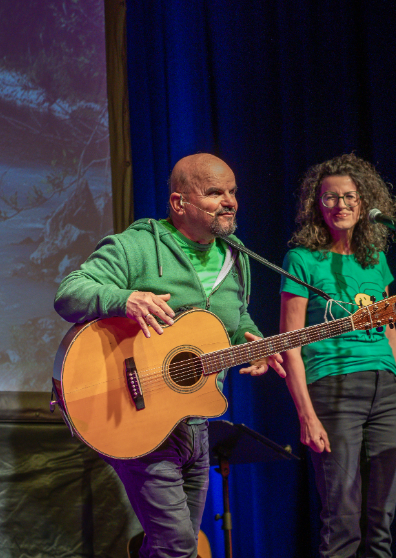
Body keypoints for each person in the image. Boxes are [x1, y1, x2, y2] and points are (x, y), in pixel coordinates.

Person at [54, 153, 284, 558]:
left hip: (196, 419)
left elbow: (236, 315)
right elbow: (70, 292)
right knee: (178, 546)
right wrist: (125, 298)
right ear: (179, 203)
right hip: (137, 414)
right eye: (214, 193)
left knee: (172, 547)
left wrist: (257, 341)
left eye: (232, 192)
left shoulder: (236, 254)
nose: (229, 201)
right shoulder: (138, 246)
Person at [279, 153, 396, 558]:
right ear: (316, 206)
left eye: (349, 197)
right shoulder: (302, 259)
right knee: (342, 520)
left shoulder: (376, 260)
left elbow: (391, 335)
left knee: (381, 523)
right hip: (332, 387)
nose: (340, 205)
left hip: (387, 390)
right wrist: (306, 414)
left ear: (364, 203)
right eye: (329, 198)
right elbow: (289, 341)